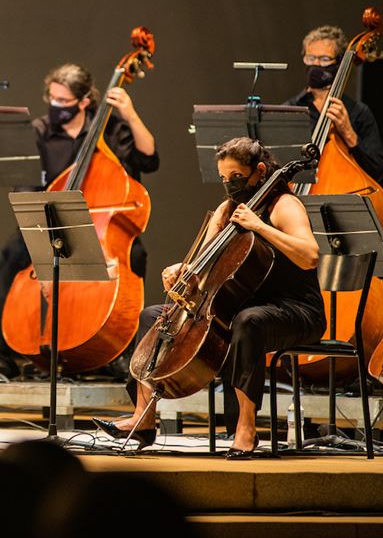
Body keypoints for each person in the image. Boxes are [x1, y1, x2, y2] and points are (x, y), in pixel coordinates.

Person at [94, 138, 323, 458]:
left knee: (249, 322)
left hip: (294, 309)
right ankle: (143, 417)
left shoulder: (284, 205)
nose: (230, 186)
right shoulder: (227, 210)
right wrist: (183, 270)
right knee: (152, 315)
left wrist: (260, 226)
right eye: (224, 179)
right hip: (237, 306)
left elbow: (310, 256)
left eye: (237, 178)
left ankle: (246, 428)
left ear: (258, 172)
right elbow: (205, 264)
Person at [0, 63, 159, 377]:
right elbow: (25, 191)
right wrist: (41, 252)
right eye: (52, 98)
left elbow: (148, 158)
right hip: (45, 222)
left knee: (136, 255)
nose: (55, 106)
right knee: (1, 261)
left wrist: (131, 114)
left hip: (97, 227)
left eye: (63, 101)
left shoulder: (111, 128)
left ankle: (119, 350)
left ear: (84, 101)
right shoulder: (37, 131)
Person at [285, 24, 383, 181]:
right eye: (311, 58)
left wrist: (348, 132)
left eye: (324, 59)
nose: (316, 65)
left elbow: (377, 171)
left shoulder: (358, 112)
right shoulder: (288, 110)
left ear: (339, 63)